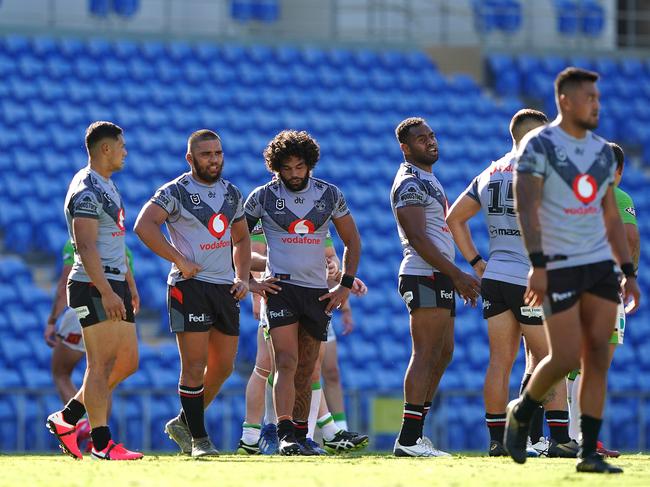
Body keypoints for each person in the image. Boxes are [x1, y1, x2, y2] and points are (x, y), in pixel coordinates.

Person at [504, 67, 640, 474]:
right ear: (565, 101)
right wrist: (538, 264)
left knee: (597, 355)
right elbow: (525, 207)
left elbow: (611, 217)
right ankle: (523, 409)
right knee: (563, 357)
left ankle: (588, 453)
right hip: (559, 263)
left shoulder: (600, 151)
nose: (597, 105)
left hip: (599, 265)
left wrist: (629, 272)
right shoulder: (538, 146)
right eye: (589, 98)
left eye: (598, 98)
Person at [134, 129, 275, 458]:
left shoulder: (231, 193)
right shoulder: (176, 192)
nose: (214, 159)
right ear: (190, 158)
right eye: (206, 154)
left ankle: (184, 422)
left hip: (225, 288)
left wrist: (243, 277)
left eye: (218, 153)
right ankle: (199, 440)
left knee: (224, 366)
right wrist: (179, 259)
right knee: (195, 365)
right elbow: (144, 225)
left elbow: (241, 239)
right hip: (189, 287)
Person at [446, 109, 577, 458]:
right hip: (528, 278)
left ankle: (497, 441)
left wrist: (475, 262)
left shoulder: (490, 171)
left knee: (500, 362)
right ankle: (560, 439)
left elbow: (453, 218)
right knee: (553, 358)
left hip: (495, 277)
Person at [244, 129, 361, 455]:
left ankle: (300, 433)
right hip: (280, 288)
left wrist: (345, 284)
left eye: (299, 167)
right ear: (276, 167)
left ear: (309, 164)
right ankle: (282, 432)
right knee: (285, 361)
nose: (294, 174)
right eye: (287, 168)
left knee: (309, 367)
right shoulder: (262, 197)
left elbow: (353, 241)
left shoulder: (329, 195)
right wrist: (252, 283)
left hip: (316, 293)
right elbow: (236, 242)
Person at [46, 121, 142, 461]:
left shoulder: (109, 186)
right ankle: (101, 443)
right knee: (100, 365)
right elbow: (85, 246)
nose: (125, 151)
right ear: (105, 149)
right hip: (92, 283)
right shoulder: (85, 188)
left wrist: (128, 284)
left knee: (128, 362)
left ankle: (67, 417)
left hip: (113, 282)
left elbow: (115, 239)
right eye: (121, 146)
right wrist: (106, 290)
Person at [390, 117, 481, 457]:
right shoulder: (410, 182)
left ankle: (415, 435)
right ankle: (409, 439)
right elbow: (417, 237)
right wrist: (457, 274)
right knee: (426, 353)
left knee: (443, 353)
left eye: (431, 135)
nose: (430, 141)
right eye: (420, 138)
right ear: (405, 147)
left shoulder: (429, 179)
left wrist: (453, 274)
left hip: (438, 273)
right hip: (422, 272)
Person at [237, 226, 368, 455]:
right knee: (270, 365)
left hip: (316, 299)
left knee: (313, 367)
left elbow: (331, 258)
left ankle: (309, 435)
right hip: (280, 296)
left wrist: (337, 272)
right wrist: (259, 291)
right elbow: (249, 254)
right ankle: (258, 433)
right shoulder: (269, 206)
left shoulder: (319, 210)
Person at [565, 142, 640, 458]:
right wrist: (629, 274)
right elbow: (631, 240)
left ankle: (564, 435)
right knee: (595, 366)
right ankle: (587, 438)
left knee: (570, 365)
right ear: (618, 170)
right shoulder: (617, 195)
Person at [44, 239, 135, 451]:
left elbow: (63, 284)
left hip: (89, 303)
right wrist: (133, 294)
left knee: (61, 372)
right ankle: (98, 433)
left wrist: (51, 321)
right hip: (117, 303)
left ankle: (78, 421)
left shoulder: (74, 243)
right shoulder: (122, 246)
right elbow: (126, 275)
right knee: (105, 372)